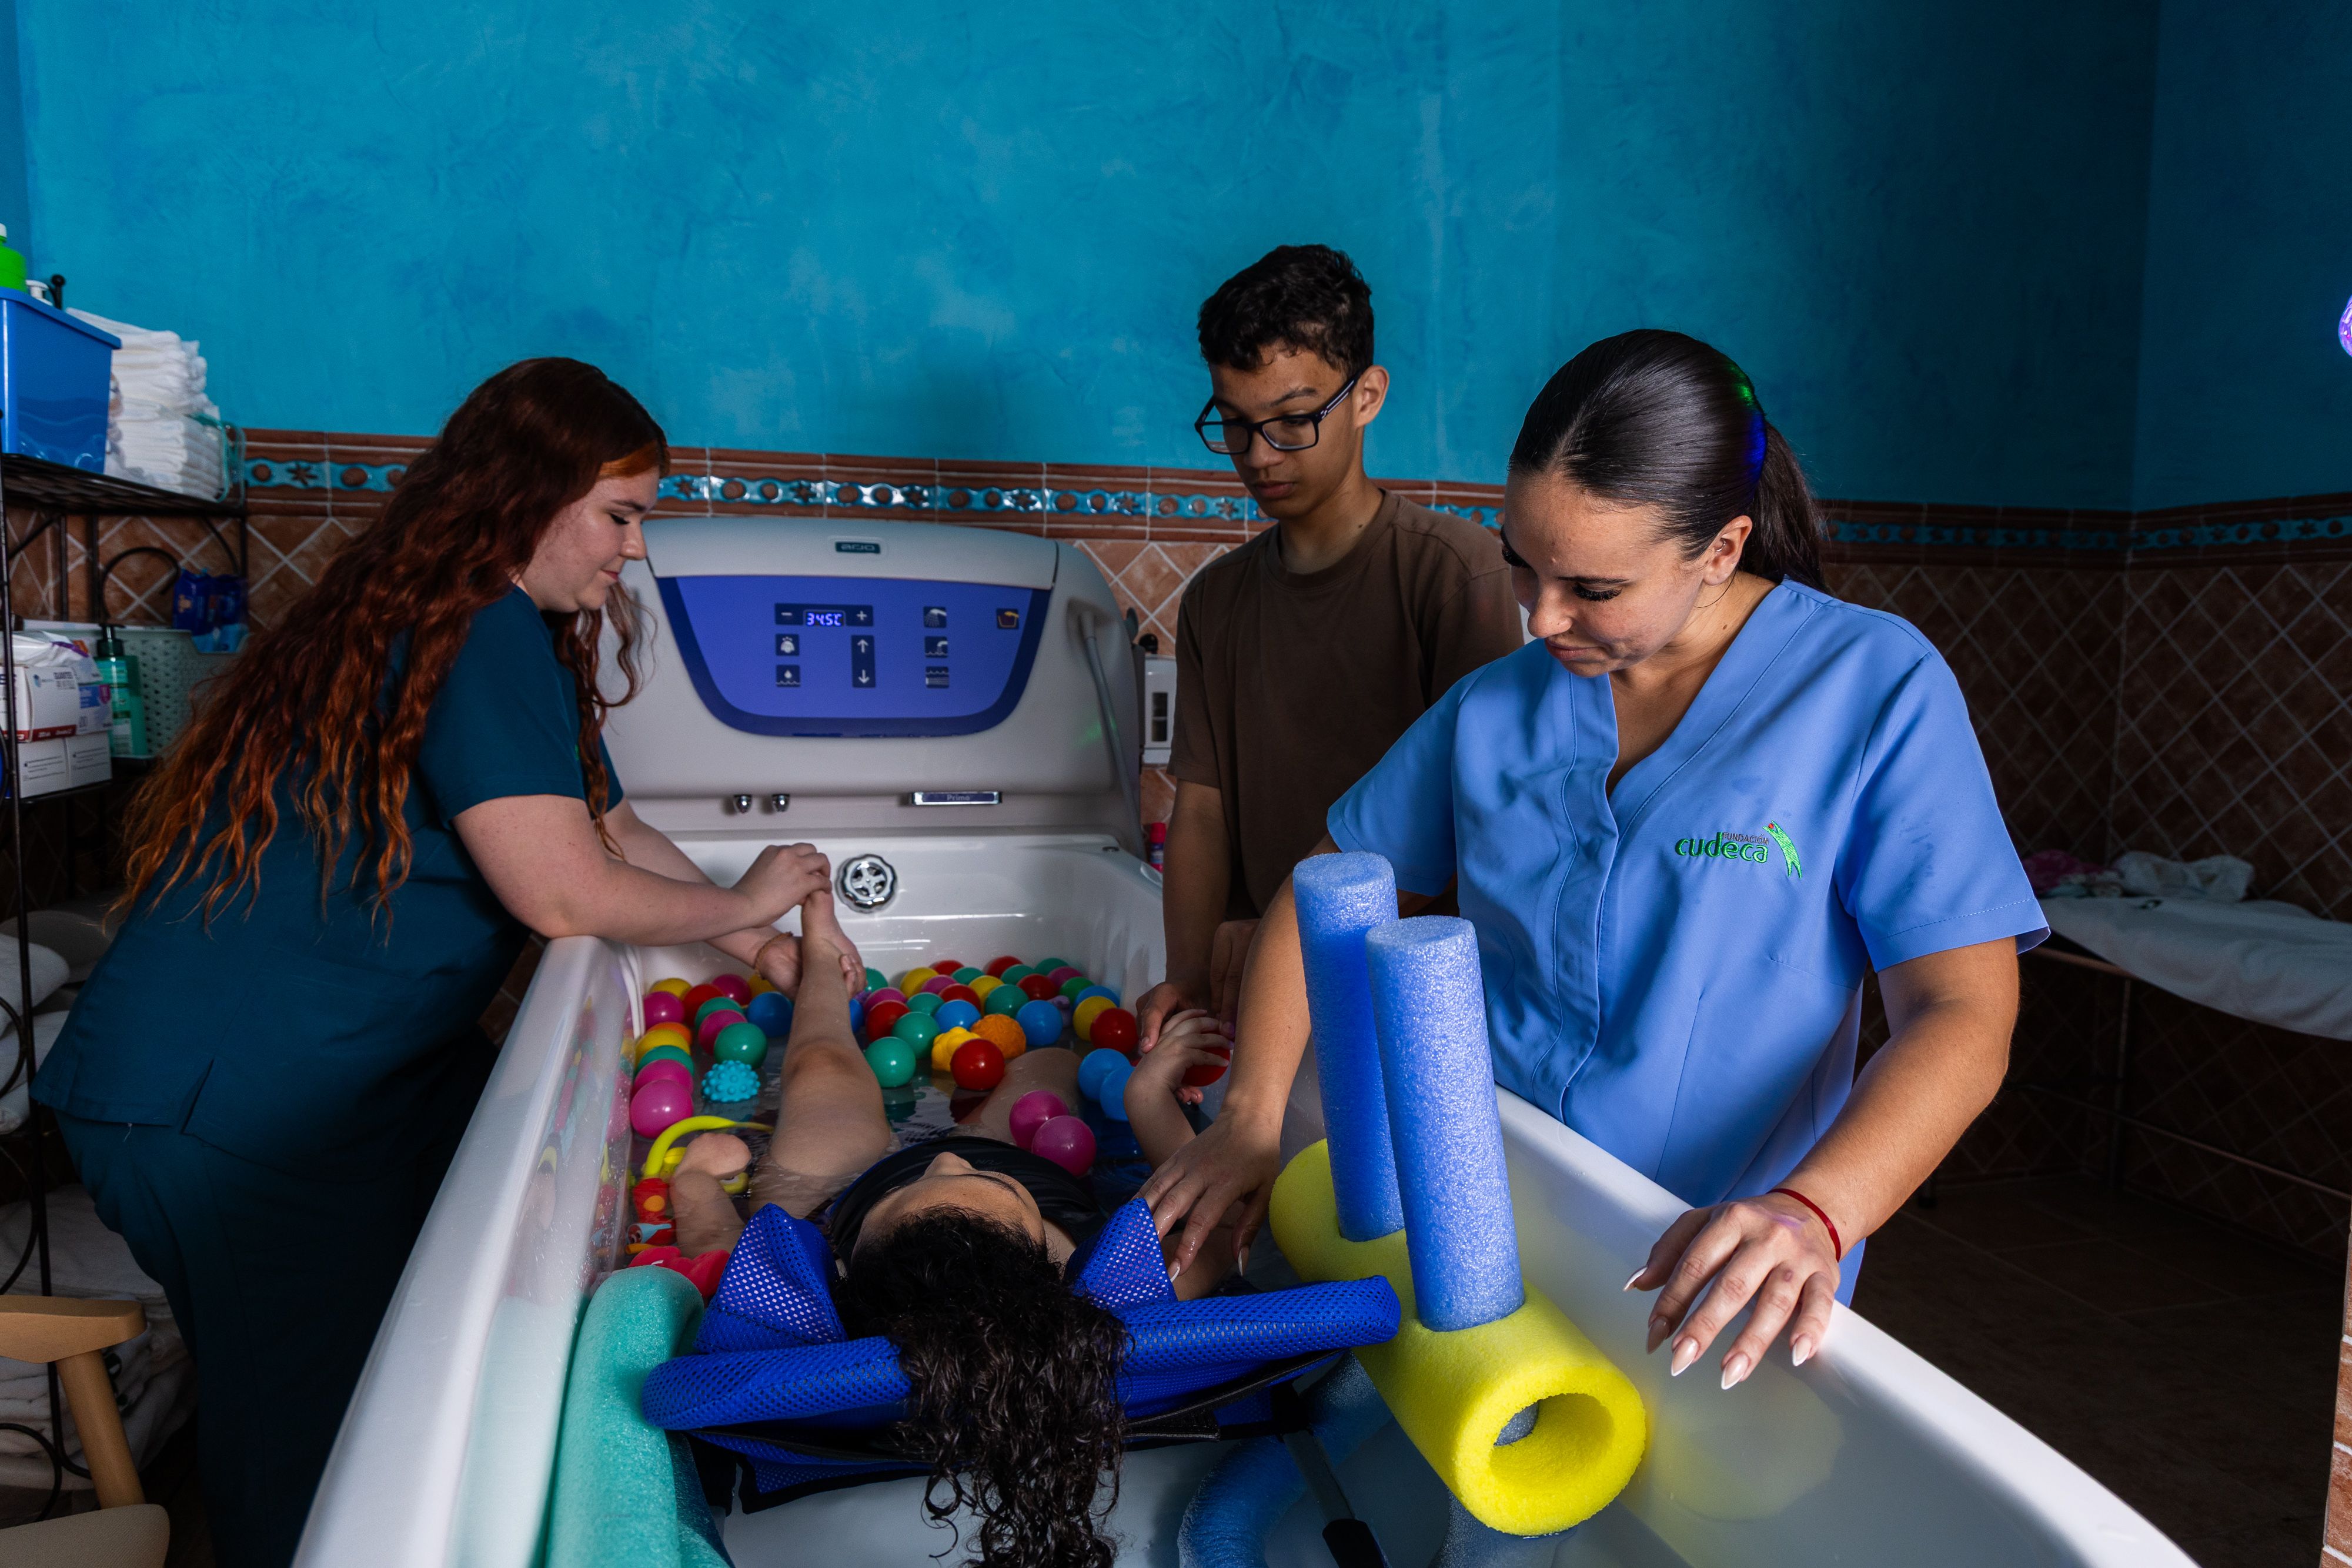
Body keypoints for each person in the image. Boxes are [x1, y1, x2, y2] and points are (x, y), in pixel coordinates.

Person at [32, 359, 854, 1568]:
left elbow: (609, 828)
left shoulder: (484, 622)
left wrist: (761, 947)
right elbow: (561, 884)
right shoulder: (475, 624)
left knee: (361, 1367)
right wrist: (743, 895)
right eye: (620, 515)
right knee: (307, 1438)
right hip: (225, 1101)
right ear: (529, 495)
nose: (632, 550)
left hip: (302, 1080)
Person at [1142, 329, 2044, 1392]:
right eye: (1524, 564)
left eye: (1594, 587)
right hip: (1484, 1225)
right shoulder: (1501, 705)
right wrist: (1250, 1115)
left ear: (1720, 547)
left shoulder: (1873, 689)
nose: (1542, 616)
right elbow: (1326, 884)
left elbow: (1963, 1012)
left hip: (1720, 1260)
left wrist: (1812, 1210)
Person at [665, 891, 1243, 1568]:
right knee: (1050, 1062)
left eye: (943, 1169)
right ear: (1055, 1275)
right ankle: (820, 959)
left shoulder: (826, 1296)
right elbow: (1227, 1228)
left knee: (822, 1066)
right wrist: (1147, 1100)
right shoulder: (1117, 1295)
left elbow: (721, 1260)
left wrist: (696, 1185)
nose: (946, 1154)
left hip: (847, 1197)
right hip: (1022, 1165)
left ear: (845, 1276)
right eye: (967, 1177)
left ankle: (822, 967)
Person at [1134, 245, 1522, 1046]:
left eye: (1292, 419)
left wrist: (1312, 955)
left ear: (1366, 397)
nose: (1260, 455)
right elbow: (1201, 809)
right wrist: (1189, 980)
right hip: (1255, 992)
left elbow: (1480, 826)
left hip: (1398, 988)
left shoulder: (1452, 573)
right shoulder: (1215, 597)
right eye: (1235, 425)